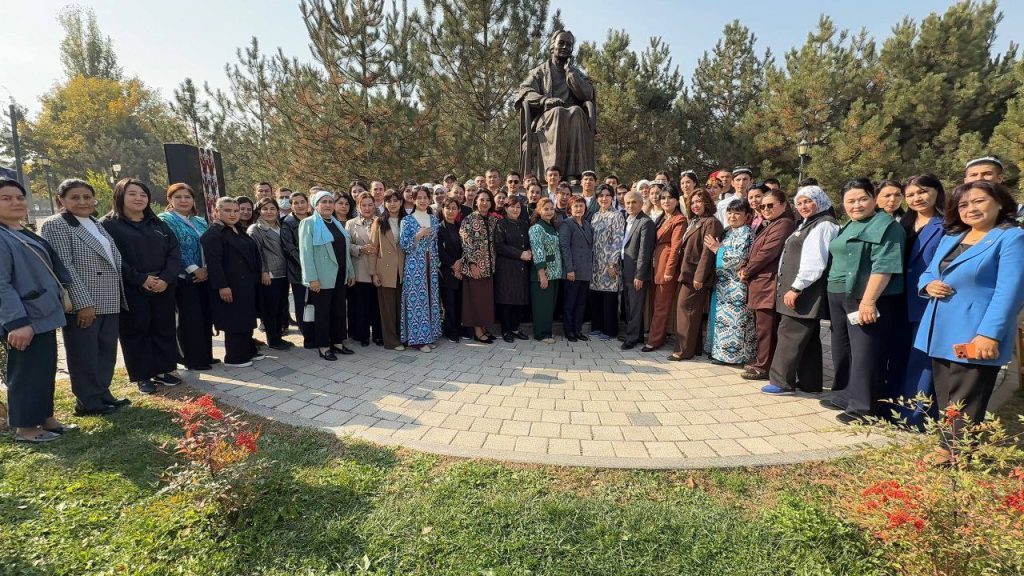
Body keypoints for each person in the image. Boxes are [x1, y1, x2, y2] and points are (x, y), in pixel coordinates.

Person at [915, 181, 1024, 436]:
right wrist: (929, 284)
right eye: (963, 204)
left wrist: (989, 334)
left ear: (999, 202)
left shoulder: (1011, 238)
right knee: (945, 394)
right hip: (940, 332)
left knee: (966, 398)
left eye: (979, 201)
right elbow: (929, 271)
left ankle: (957, 455)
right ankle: (947, 447)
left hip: (974, 332)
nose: (970, 208)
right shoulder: (954, 237)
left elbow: (1010, 292)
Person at [40, 179, 129, 416]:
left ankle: (102, 392)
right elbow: (63, 266)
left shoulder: (93, 223)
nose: (82, 202)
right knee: (84, 353)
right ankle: (87, 401)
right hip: (85, 301)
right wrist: (83, 303)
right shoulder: (56, 225)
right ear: (61, 200)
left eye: (87, 197)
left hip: (109, 297)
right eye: (75, 197)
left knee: (106, 350)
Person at [825, 179, 906, 425]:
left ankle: (864, 408)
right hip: (839, 293)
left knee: (866, 352)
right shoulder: (849, 224)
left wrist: (869, 301)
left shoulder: (886, 226)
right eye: (850, 201)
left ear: (874, 199)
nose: (856, 205)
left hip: (865, 296)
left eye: (862, 199)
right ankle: (846, 393)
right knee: (844, 348)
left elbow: (885, 266)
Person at [0, 178, 75, 442]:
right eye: (6, 198)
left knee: (43, 369)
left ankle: (45, 417)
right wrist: (16, 322)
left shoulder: (20, 230)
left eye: (19, 197)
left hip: (42, 314)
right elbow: (1, 284)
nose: (16, 202)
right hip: (24, 318)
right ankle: (26, 427)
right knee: (26, 373)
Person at [101, 178, 182, 394]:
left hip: (163, 286)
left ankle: (164, 369)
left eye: (143, 194)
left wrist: (165, 278)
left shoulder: (157, 224)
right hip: (133, 288)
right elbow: (114, 259)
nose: (139, 198)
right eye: (132, 194)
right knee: (137, 331)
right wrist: (141, 279)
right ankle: (143, 375)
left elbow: (174, 252)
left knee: (163, 328)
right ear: (120, 196)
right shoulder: (109, 225)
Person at [763, 186, 841, 395]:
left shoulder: (824, 225)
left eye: (808, 201)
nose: (803, 206)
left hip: (804, 291)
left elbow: (815, 262)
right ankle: (810, 382)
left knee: (789, 334)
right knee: (808, 340)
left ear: (821, 200)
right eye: (800, 202)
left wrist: (796, 287)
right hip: (800, 289)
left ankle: (781, 382)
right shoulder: (810, 223)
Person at [882, 174, 946, 423]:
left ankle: (915, 415)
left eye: (922, 191)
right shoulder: (903, 225)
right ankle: (890, 407)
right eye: (910, 194)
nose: (916, 198)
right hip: (898, 299)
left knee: (921, 360)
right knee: (896, 354)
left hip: (926, 301)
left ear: (937, 191)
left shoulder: (947, 225)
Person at [738, 188, 796, 380]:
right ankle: (761, 362)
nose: (766, 209)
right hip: (760, 283)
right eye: (762, 206)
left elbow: (767, 253)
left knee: (766, 329)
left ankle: (764, 367)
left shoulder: (783, 224)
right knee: (762, 327)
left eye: (770, 205)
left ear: (784, 205)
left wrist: (747, 270)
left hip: (768, 285)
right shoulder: (771, 224)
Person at [158, 183, 214, 370]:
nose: (183, 201)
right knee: (190, 319)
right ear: (170, 200)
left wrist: (205, 269)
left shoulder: (199, 221)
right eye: (178, 197)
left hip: (204, 275)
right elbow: (174, 248)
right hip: (183, 277)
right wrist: (193, 269)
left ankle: (206, 355)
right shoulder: (165, 220)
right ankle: (193, 359)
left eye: (187, 197)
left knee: (205, 316)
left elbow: (208, 245)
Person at [202, 197, 263, 367]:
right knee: (234, 320)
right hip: (230, 284)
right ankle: (234, 357)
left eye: (235, 211)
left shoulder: (237, 229)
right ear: (217, 212)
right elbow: (214, 263)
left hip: (245, 284)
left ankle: (248, 350)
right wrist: (222, 286)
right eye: (227, 211)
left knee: (246, 317)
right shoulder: (214, 234)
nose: (233, 214)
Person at [299, 190, 356, 361]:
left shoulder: (336, 223)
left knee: (339, 311)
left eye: (330, 202)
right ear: (316, 205)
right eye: (323, 202)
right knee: (323, 313)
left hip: (339, 275)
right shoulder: (308, 223)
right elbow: (306, 253)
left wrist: (350, 272)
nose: (328, 205)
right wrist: (311, 278)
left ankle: (338, 342)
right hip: (321, 278)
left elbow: (345, 251)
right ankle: (323, 346)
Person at [669, 189, 723, 360]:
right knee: (690, 310)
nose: (695, 205)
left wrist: (699, 276)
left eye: (699, 201)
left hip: (695, 276)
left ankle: (683, 351)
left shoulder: (711, 223)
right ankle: (694, 347)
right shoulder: (695, 221)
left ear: (707, 202)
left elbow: (708, 252)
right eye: (692, 202)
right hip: (687, 272)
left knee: (687, 310)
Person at [703, 199, 756, 365]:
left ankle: (736, 357)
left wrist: (718, 249)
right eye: (730, 212)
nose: (732, 216)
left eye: (737, 213)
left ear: (747, 216)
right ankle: (719, 354)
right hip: (722, 285)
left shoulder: (747, 233)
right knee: (721, 321)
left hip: (736, 286)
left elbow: (741, 258)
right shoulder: (727, 231)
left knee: (737, 323)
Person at [399, 186, 442, 352]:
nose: (423, 200)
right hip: (414, 264)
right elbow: (404, 245)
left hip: (431, 264)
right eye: (420, 197)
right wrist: (418, 235)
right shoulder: (407, 221)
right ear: (414, 199)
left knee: (431, 299)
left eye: (426, 197)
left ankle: (429, 335)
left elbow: (436, 245)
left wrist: (436, 263)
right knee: (417, 301)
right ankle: (417, 340)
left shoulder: (434, 219)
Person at [642, 186, 685, 352]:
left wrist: (669, 270)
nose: (666, 201)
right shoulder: (662, 218)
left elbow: (676, 247)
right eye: (663, 198)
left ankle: (654, 340)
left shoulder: (679, 219)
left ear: (676, 200)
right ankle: (657, 335)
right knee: (655, 303)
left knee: (661, 305)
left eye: (670, 198)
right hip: (655, 266)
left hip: (666, 266)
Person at [247, 197, 292, 351]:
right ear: (259, 211)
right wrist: (263, 272)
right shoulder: (255, 229)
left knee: (281, 307)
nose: (269, 212)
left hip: (284, 273)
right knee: (270, 309)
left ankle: (279, 336)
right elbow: (256, 254)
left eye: (272, 208)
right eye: (265, 209)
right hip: (269, 275)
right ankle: (273, 340)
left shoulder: (281, 226)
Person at [370, 191, 406, 350]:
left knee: (401, 307)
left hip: (404, 270)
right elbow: (373, 249)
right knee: (388, 309)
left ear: (401, 202)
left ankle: (402, 336)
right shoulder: (379, 222)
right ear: (384, 203)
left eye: (395, 200)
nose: (393, 203)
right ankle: (391, 341)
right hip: (385, 271)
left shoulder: (406, 221)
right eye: (389, 201)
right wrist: (373, 273)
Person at [346, 192, 383, 347]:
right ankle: (362, 336)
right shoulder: (351, 223)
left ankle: (378, 335)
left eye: (370, 204)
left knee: (377, 305)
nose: (367, 208)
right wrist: (360, 249)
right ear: (358, 206)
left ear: (374, 205)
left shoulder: (381, 221)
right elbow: (346, 245)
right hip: (360, 268)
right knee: (361, 305)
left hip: (378, 269)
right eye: (364, 205)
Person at [620, 190, 655, 350]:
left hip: (636, 272)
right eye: (627, 202)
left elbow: (644, 252)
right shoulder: (628, 220)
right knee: (629, 304)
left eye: (634, 202)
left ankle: (632, 338)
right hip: (626, 269)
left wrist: (640, 275)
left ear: (641, 204)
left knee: (635, 306)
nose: (630, 205)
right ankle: (636, 333)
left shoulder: (645, 222)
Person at [494, 196, 532, 342]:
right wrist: (520, 254)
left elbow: (529, 242)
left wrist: (529, 251)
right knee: (507, 301)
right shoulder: (501, 224)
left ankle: (516, 328)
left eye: (518, 207)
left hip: (522, 268)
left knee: (519, 300)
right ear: (506, 208)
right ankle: (506, 330)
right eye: (512, 207)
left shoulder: (524, 224)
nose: (515, 209)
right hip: (507, 267)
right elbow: (500, 246)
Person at [589, 184, 624, 340]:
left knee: (609, 297)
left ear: (612, 197)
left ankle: (610, 330)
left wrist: (612, 264)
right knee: (596, 295)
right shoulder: (595, 216)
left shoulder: (616, 216)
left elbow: (618, 240)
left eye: (607, 195)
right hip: (595, 263)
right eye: (601, 196)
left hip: (609, 262)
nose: (604, 198)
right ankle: (597, 326)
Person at [559, 196, 594, 342]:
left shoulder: (587, 224)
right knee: (570, 302)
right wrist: (569, 269)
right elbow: (564, 247)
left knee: (581, 303)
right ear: (570, 209)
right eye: (576, 206)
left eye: (581, 205)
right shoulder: (566, 224)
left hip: (585, 270)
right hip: (572, 270)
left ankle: (578, 329)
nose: (579, 209)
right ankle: (569, 331)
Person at [281, 191, 314, 348]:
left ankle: (316, 331)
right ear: (291, 205)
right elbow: (289, 249)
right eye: (295, 203)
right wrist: (305, 263)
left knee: (314, 303)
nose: (299, 205)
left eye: (302, 202)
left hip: (316, 269)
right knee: (302, 305)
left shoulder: (314, 219)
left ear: (307, 203)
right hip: (298, 271)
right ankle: (307, 336)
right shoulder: (287, 223)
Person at [529, 198, 563, 343]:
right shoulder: (537, 228)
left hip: (555, 273)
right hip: (543, 274)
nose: (549, 212)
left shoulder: (552, 226)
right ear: (539, 211)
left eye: (551, 209)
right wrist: (542, 274)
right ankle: (541, 334)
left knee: (549, 306)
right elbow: (538, 251)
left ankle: (547, 331)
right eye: (546, 209)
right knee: (542, 305)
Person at [437, 198, 465, 343]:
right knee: (449, 304)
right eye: (448, 208)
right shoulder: (439, 228)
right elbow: (440, 251)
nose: (451, 211)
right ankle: (450, 331)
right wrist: (453, 265)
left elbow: (466, 248)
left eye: (454, 208)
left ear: (458, 210)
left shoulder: (461, 227)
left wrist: (460, 264)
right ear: (443, 209)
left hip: (461, 271)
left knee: (460, 301)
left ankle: (459, 328)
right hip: (446, 271)